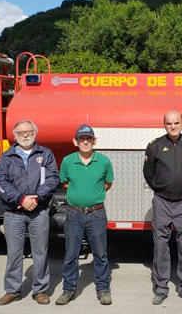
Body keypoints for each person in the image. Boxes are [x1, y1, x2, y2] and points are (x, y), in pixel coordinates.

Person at [0, 120, 60, 306]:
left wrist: (36, 198)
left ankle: (40, 290)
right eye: (21, 132)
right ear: (15, 135)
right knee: (14, 253)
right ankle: (12, 290)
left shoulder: (45, 154)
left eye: (28, 131)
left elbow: (53, 178)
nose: (25, 135)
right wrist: (21, 200)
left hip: (38, 211)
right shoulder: (7, 156)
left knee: (40, 252)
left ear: (35, 133)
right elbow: (0, 183)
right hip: (13, 213)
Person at [144, 110, 182, 305]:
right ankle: (161, 287)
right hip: (162, 202)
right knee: (160, 246)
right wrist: (161, 188)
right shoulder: (155, 147)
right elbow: (148, 174)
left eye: (176, 122)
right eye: (169, 123)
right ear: (164, 125)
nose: (173, 126)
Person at [55, 124, 114, 306]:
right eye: (82, 139)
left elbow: (108, 183)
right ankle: (69, 290)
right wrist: (80, 197)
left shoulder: (104, 161)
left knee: (100, 254)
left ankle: (103, 289)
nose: (85, 142)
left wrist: (91, 197)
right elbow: (64, 183)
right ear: (75, 141)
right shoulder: (67, 161)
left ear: (94, 141)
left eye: (89, 138)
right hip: (74, 214)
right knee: (71, 254)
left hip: (96, 214)